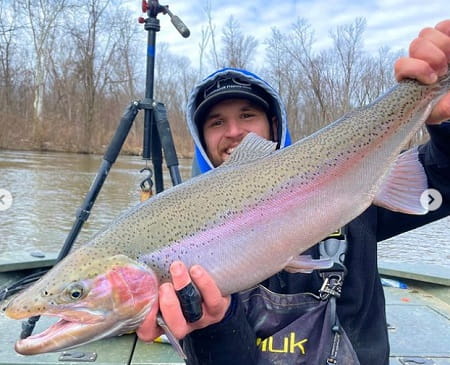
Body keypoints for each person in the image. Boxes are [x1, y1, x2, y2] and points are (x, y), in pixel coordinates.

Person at [137, 20, 450, 364]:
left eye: (247, 115)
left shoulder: (346, 176)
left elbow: (442, 176)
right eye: (216, 122)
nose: (235, 131)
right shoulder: (180, 232)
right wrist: (212, 324)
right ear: (201, 139)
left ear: (274, 125)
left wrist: (442, 117)